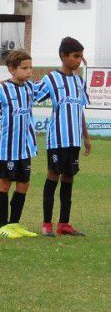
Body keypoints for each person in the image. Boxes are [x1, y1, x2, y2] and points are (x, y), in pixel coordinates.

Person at [36, 36, 92, 237]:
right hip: (57, 139)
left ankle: (64, 224)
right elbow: (32, 94)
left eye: (81, 56)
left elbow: (79, 110)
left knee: (69, 178)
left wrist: (86, 136)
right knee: (53, 176)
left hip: (74, 140)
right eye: (76, 56)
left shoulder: (79, 81)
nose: (79, 60)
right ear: (63, 56)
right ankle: (46, 225)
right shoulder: (51, 79)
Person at [0, 50, 39, 239]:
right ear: (11, 69)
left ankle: (15, 223)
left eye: (30, 68)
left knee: (23, 183)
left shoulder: (30, 88)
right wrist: (1, 82)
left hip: (25, 147)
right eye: (24, 68)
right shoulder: (2, 90)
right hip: (7, 146)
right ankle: (3, 225)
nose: (29, 72)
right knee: (5, 183)